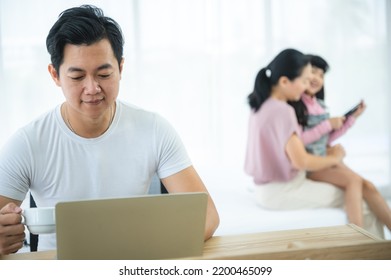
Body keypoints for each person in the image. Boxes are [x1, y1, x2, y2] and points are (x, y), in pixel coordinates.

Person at [0, 5, 219, 255]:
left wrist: (148, 252)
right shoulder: (28, 143)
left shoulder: (154, 130)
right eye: (77, 77)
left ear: (121, 69)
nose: (92, 88)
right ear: (55, 75)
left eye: (104, 74)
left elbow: (208, 216)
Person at [244, 48, 385, 238]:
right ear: (285, 81)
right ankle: (365, 254)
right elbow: (301, 161)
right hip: (283, 190)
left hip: (264, 189)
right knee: (364, 205)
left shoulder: (260, 105)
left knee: (360, 188)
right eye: (303, 81)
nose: (305, 87)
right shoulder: (283, 111)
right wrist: (335, 157)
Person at [288, 54, 391, 233]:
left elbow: (325, 138)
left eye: (321, 75)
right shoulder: (296, 104)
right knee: (353, 181)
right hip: (313, 164)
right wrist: (327, 124)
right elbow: (298, 140)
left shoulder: (319, 104)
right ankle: (357, 238)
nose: (317, 78)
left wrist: (350, 120)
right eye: (313, 72)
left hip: (325, 156)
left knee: (369, 186)